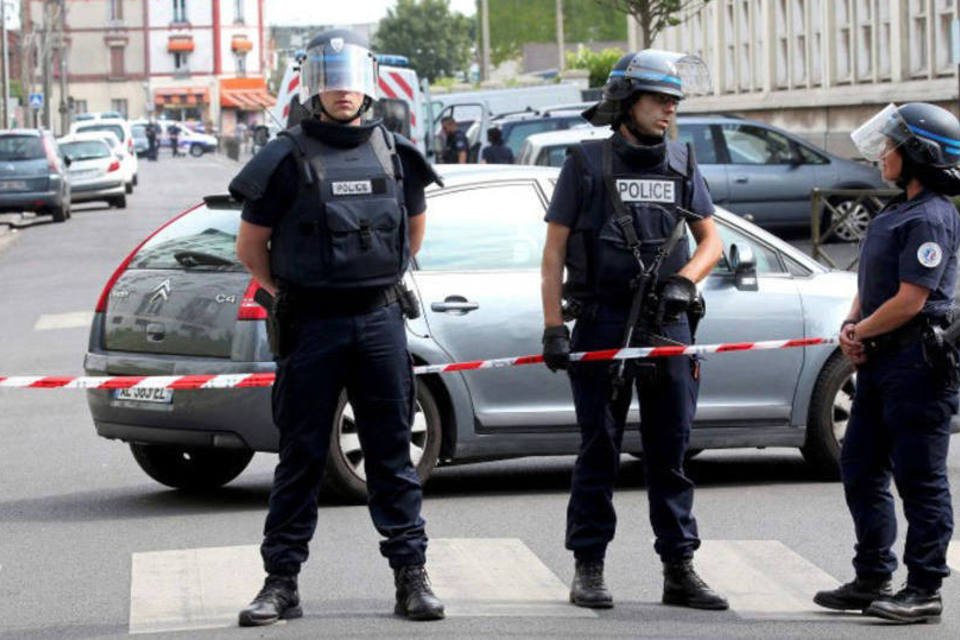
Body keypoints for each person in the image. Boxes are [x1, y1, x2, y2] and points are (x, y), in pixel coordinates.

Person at [230, 28, 445, 626]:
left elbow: (414, 229)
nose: (342, 91)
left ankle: (412, 579)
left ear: (367, 84)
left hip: (378, 320)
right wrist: (292, 293)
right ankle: (281, 585)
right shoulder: (283, 156)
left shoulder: (394, 152)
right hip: (313, 325)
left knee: (391, 456)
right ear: (312, 87)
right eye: (330, 80)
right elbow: (251, 248)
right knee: (300, 456)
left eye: (351, 79)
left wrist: (381, 277)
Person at [539, 49, 726, 611]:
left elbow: (711, 240)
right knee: (599, 449)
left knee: (670, 452)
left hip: (666, 324)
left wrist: (687, 281)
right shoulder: (586, 163)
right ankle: (589, 568)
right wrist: (553, 327)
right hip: (602, 320)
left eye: (674, 102)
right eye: (659, 100)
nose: (669, 111)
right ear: (626, 101)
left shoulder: (682, 162)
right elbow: (552, 254)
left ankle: (679, 569)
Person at [813, 102, 960, 624]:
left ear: (920, 155)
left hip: (918, 364)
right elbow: (871, 286)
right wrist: (853, 327)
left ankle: (924, 589)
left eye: (892, 145)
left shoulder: (932, 217)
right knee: (859, 466)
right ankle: (873, 574)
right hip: (879, 362)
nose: (883, 154)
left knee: (919, 479)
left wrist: (860, 330)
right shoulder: (897, 211)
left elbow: (911, 299)